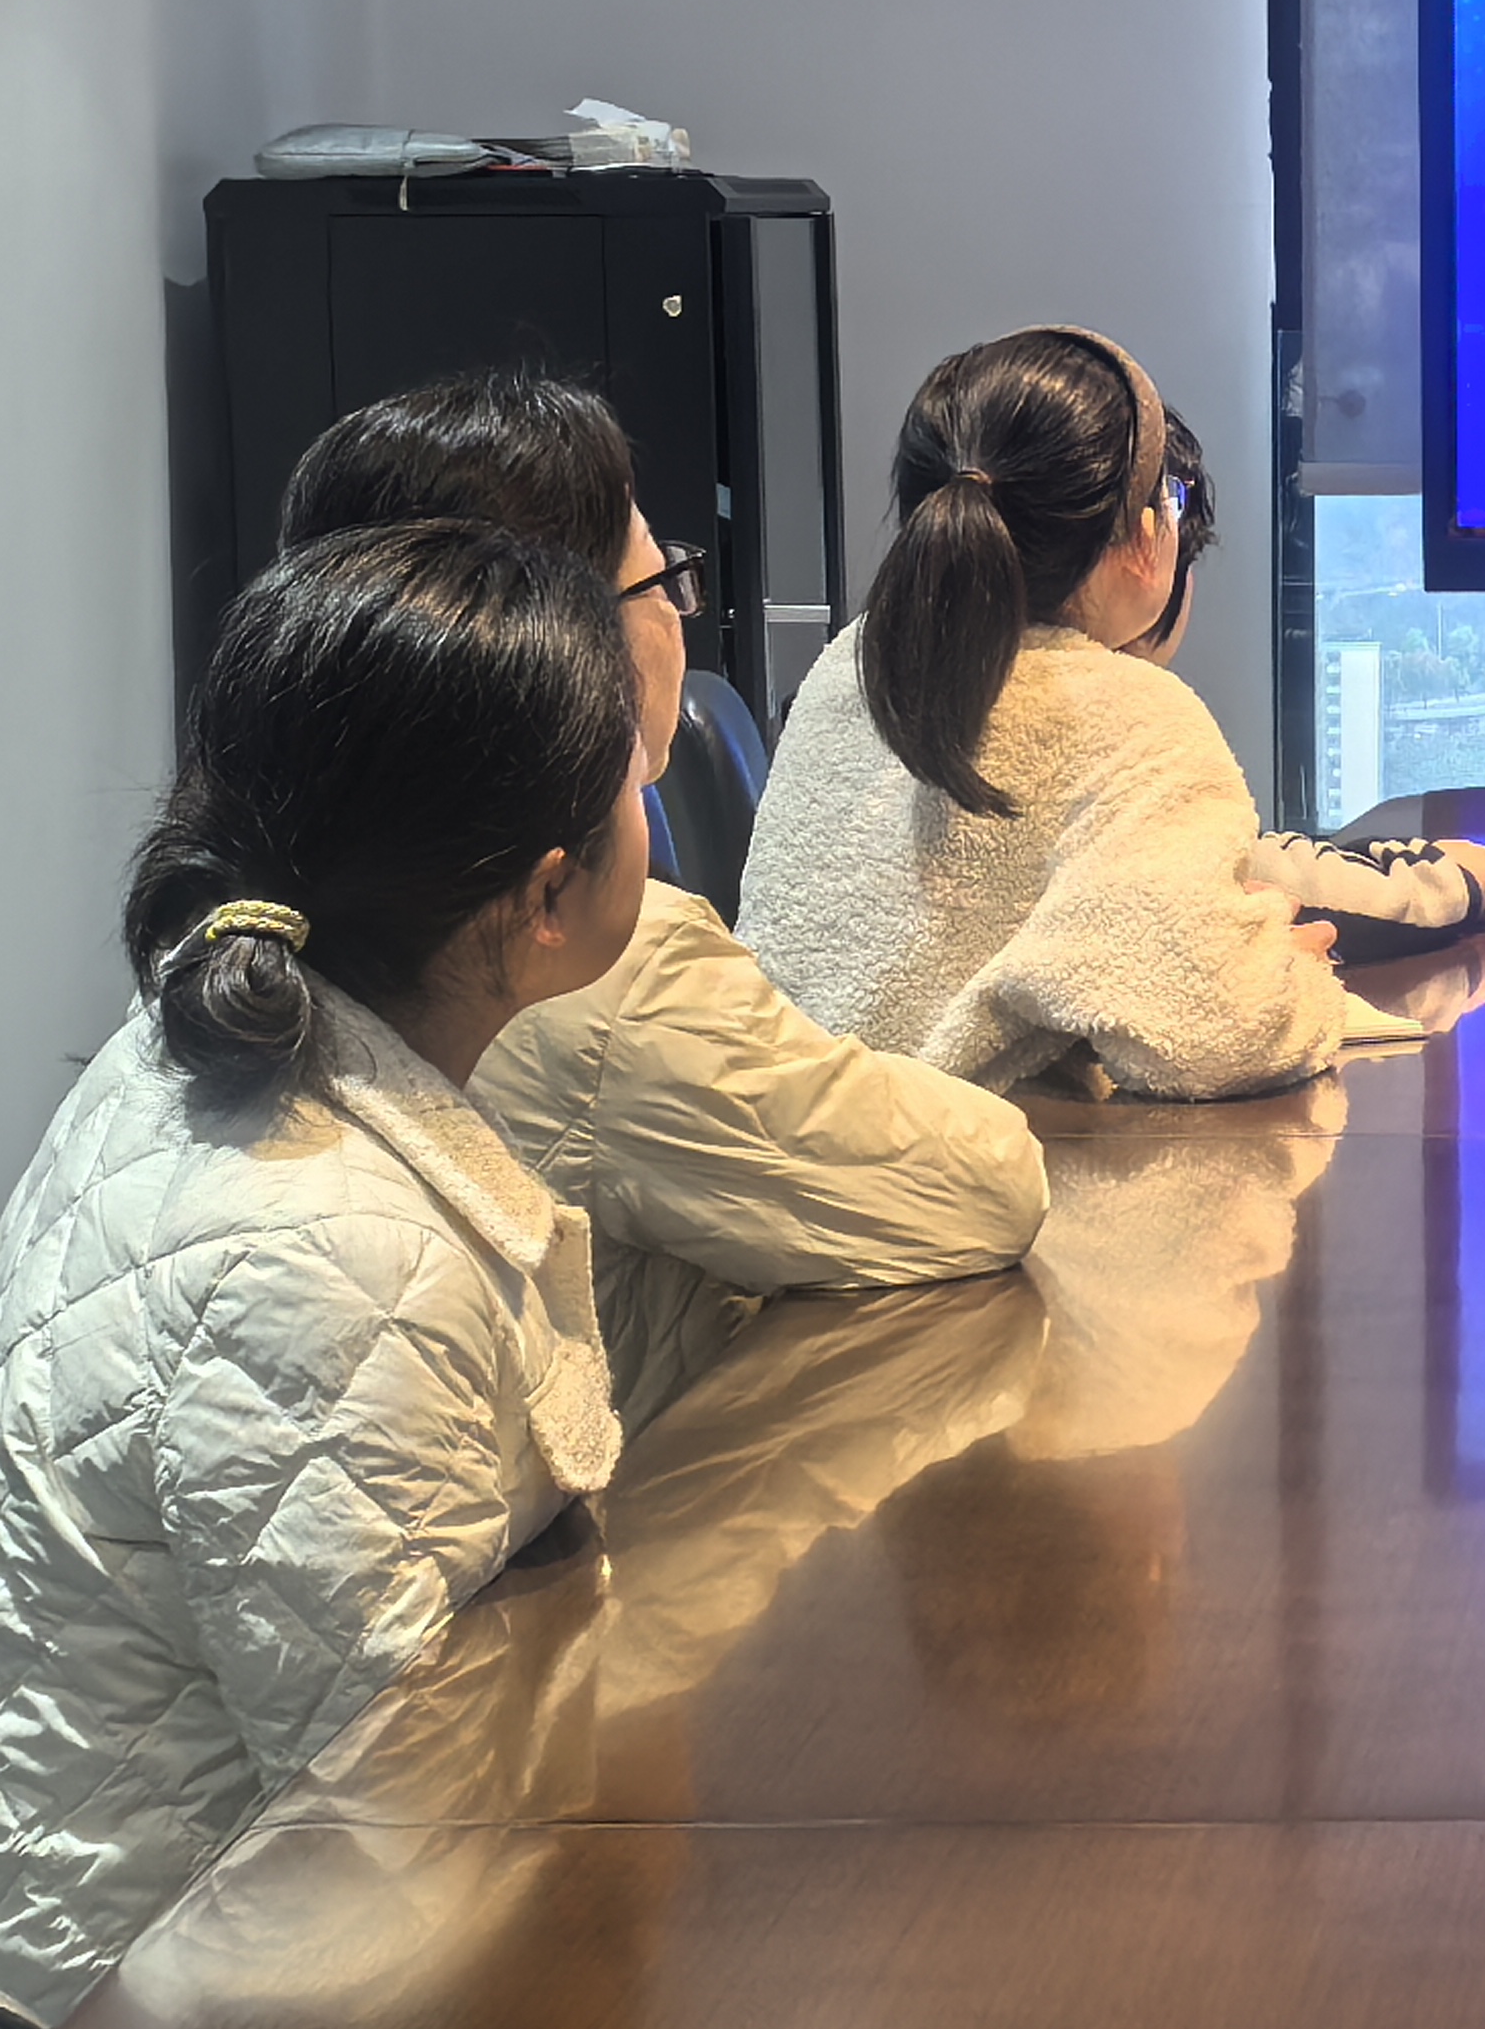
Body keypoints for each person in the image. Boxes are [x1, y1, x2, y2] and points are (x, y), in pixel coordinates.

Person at [0, 524, 648, 2016]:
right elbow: (395, 1862)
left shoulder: (199, 1046)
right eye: (633, 777)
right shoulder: (332, 1254)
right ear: (547, 897)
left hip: (97, 1945)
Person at [278, 373, 1046, 1398]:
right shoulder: (578, 959)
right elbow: (982, 1189)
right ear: (549, 639)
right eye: (662, 583)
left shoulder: (265, 915)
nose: (680, 620)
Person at [742, 326, 1392, 1094]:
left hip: (775, 1137)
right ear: (1145, 531)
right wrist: (1289, 976)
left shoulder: (849, 667)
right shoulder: (1137, 720)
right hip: (966, 1155)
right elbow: (1217, 1039)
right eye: (1174, 500)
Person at [1134, 408, 1485, 963]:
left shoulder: (999, 696)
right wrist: (1456, 883)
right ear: (1151, 545)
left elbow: (1241, 856)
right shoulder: (1139, 723)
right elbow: (1244, 877)